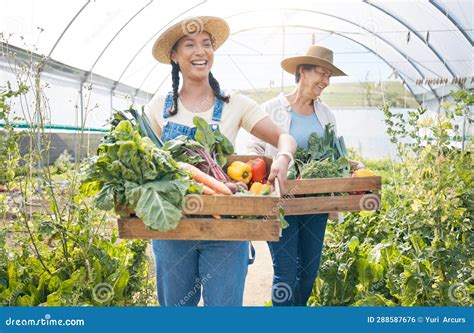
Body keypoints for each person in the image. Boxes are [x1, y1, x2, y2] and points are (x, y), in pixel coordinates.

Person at [144, 16, 296, 306]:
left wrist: (284, 157)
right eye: (190, 44)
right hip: (172, 230)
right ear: (174, 56)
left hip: (226, 228)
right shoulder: (160, 107)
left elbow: (284, 138)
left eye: (206, 44)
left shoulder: (234, 103)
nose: (200, 52)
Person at [247, 45, 354, 306]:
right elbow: (252, 150)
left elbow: (333, 155)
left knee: (308, 275)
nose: (326, 82)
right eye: (322, 73)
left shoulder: (326, 113)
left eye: (329, 76)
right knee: (286, 274)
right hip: (281, 204)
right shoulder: (272, 108)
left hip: (315, 204)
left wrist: (349, 164)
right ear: (302, 71)